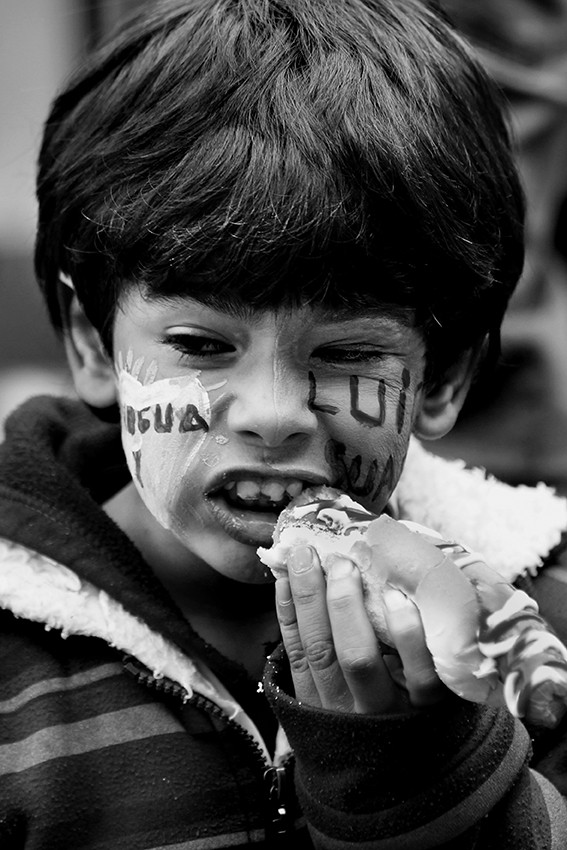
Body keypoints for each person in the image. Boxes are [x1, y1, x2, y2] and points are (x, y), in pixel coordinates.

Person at [1, 0, 567, 847]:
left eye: (345, 353)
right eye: (199, 343)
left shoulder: (529, 626)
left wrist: (432, 781)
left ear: (441, 376)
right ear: (92, 345)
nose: (271, 415)